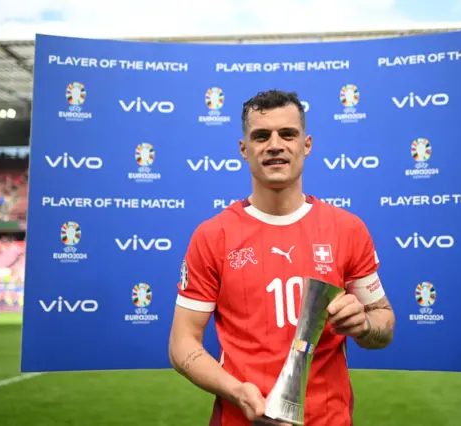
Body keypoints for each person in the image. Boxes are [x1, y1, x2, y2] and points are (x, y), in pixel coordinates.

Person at [169, 89, 395, 426]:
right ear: (244, 150)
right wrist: (236, 391)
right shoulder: (213, 236)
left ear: (306, 145)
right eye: (261, 136)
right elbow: (181, 343)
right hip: (240, 418)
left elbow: (384, 323)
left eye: (287, 134)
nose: (275, 144)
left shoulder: (347, 229)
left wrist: (363, 325)